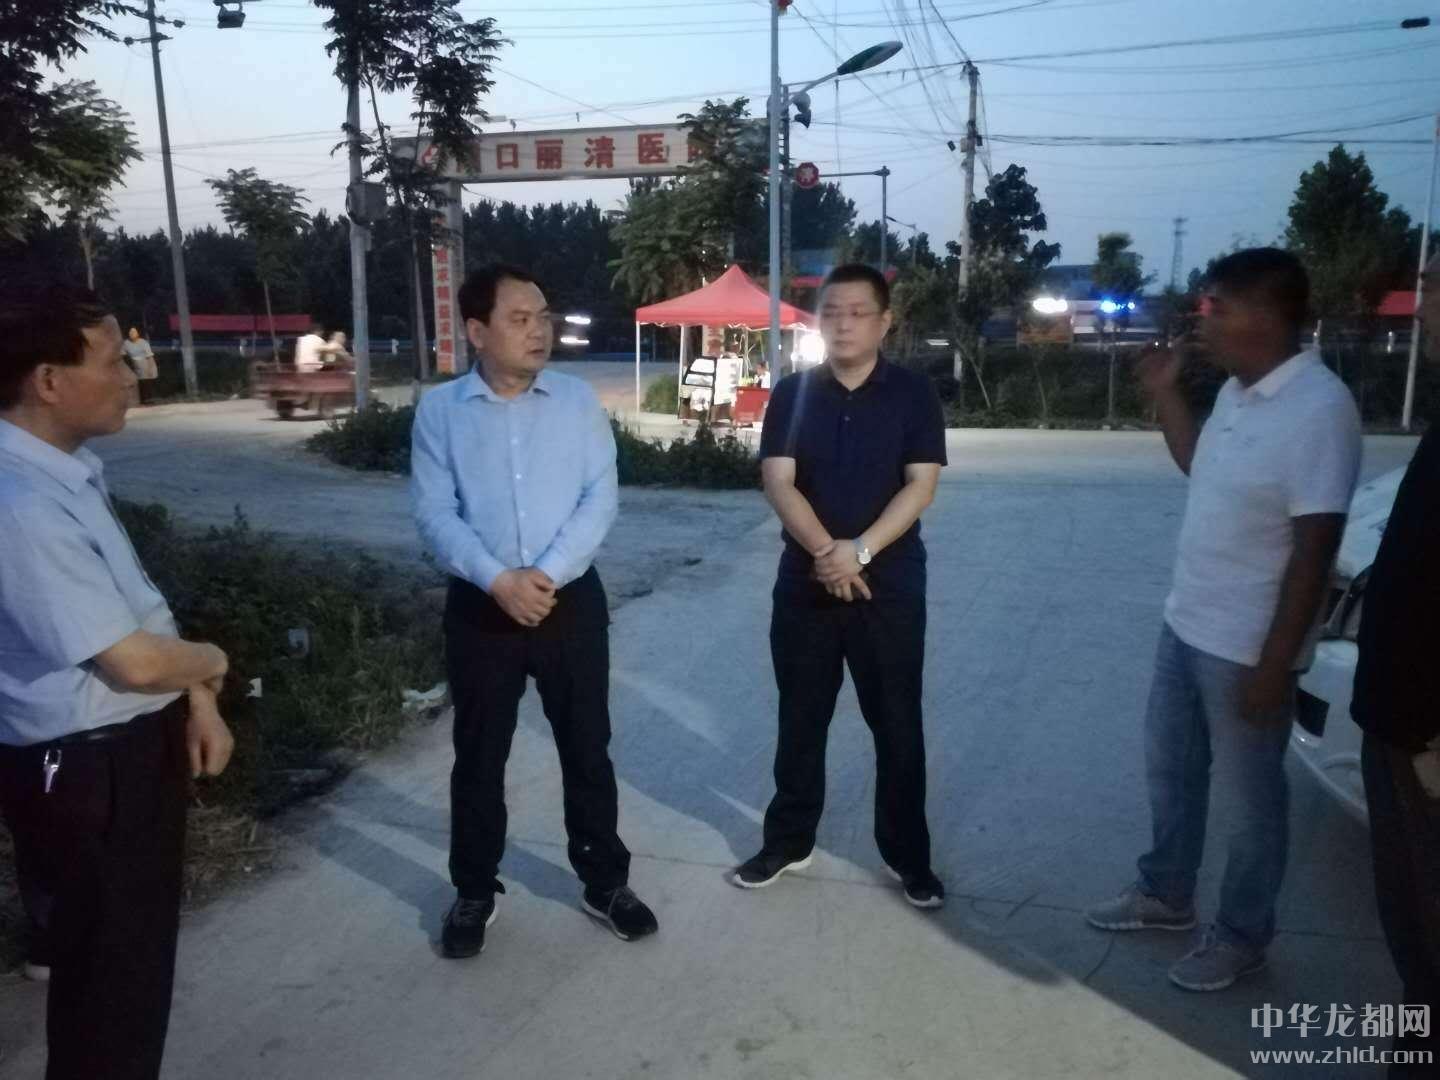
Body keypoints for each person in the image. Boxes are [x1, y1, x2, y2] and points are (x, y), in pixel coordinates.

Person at [1086, 248, 1362, 992]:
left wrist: (1275, 664)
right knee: (1171, 772)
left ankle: (1242, 936)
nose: (1200, 319)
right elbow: (1199, 467)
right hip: (1187, 623)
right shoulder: (1240, 395)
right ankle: (1166, 893)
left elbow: (1316, 548)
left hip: (1247, 648)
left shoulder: (1320, 409)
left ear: (1265, 316)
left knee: (1250, 805)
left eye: (1216, 307)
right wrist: (1167, 394)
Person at [0, 283, 236, 1078]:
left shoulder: (65, 472)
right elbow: (132, 660)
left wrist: (195, 698)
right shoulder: (19, 502)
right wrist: (212, 662)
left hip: (122, 752)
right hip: (87, 771)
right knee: (111, 996)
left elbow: (137, 610)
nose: (133, 377)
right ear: (48, 380)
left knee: (121, 980)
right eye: (113, 362)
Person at [410, 264, 658, 958]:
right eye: (519, 318)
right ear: (477, 331)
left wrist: (542, 576)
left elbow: (599, 497)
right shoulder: (441, 411)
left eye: (543, 316)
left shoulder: (576, 402)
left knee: (587, 747)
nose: (538, 330)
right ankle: (474, 888)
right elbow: (433, 512)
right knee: (478, 755)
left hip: (568, 600)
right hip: (481, 605)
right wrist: (498, 580)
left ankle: (605, 882)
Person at [732, 263, 949, 909]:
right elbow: (778, 480)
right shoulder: (793, 393)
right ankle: (788, 840)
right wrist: (829, 553)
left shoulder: (913, 394)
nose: (844, 323)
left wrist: (861, 551)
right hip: (806, 584)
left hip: (891, 586)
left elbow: (921, 485)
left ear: (885, 322)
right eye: (831, 312)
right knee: (801, 718)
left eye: (858, 312)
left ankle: (909, 856)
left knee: (897, 722)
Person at [1351, 251, 1440, 1075]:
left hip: (1426, 740)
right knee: (1412, 928)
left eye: (1435, 287)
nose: (1421, 306)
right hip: (1397, 726)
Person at [121, 327, 158, 404]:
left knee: (147, 383)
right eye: (130, 332)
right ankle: (143, 401)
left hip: (147, 364)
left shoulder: (144, 343)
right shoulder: (126, 343)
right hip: (136, 366)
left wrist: (150, 369)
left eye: (134, 332)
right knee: (140, 383)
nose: (132, 334)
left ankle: (150, 400)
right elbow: (122, 354)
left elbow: (150, 357)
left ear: (137, 334)